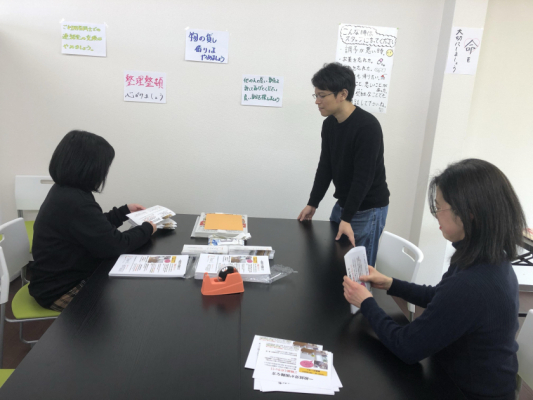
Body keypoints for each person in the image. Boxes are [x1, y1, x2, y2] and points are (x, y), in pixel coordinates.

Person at [343, 159, 525, 400]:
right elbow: (441, 296)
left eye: (439, 207)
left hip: (467, 392)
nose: (436, 215)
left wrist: (366, 302)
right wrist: (390, 283)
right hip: (461, 376)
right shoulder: (486, 259)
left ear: (469, 213)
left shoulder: (473, 284)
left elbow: (407, 347)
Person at [29, 130, 157, 311]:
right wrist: (147, 228)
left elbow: (95, 227)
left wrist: (124, 211)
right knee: (133, 301)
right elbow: (115, 245)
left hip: (55, 280)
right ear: (89, 167)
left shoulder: (64, 191)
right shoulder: (75, 201)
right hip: (60, 290)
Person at [297, 62, 389, 266]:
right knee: (335, 266)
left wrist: (347, 218)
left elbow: (363, 178)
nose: (317, 101)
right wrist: (313, 203)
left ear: (342, 94)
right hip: (344, 206)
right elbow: (325, 166)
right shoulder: (329, 124)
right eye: (316, 95)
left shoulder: (367, 126)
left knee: (359, 271)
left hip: (368, 209)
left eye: (322, 95)